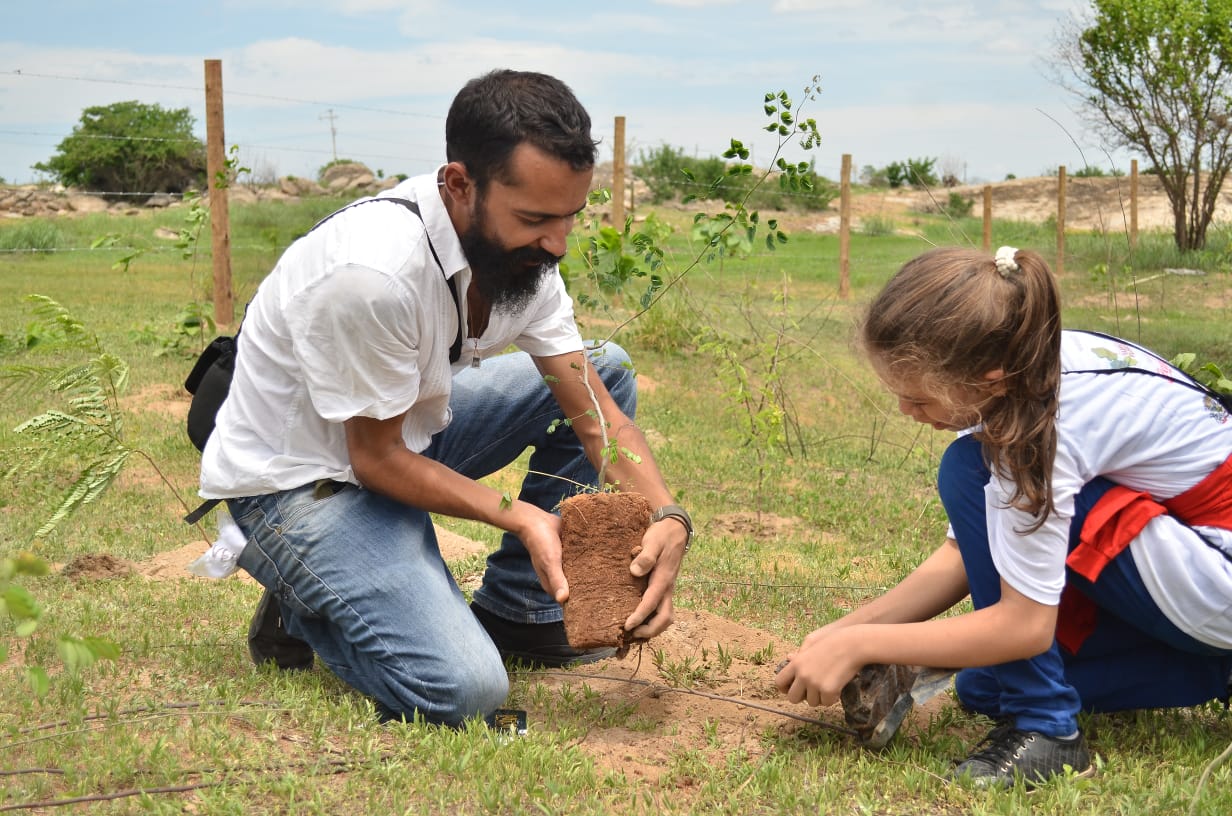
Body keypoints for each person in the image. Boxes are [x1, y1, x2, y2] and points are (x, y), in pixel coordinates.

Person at [198, 69, 691, 727]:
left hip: (403, 433)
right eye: (535, 219)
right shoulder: (372, 275)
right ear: (459, 184)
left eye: (570, 217)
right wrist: (521, 515)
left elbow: (594, 412)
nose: (558, 245)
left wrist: (669, 515)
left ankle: (520, 613)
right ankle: (303, 589)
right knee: (464, 691)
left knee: (609, 367)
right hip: (301, 481)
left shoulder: (520, 257)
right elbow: (372, 462)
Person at [775, 245, 1232, 786]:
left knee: (967, 469)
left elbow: (1024, 626)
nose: (906, 411)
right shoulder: (1023, 370)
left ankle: (1047, 731)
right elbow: (963, 559)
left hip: (1216, 568)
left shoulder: (1042, 429)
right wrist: (845, 629)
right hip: (1197, 572)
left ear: (987, 379)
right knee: (983, 686)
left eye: (919, 400)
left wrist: (862, 644)